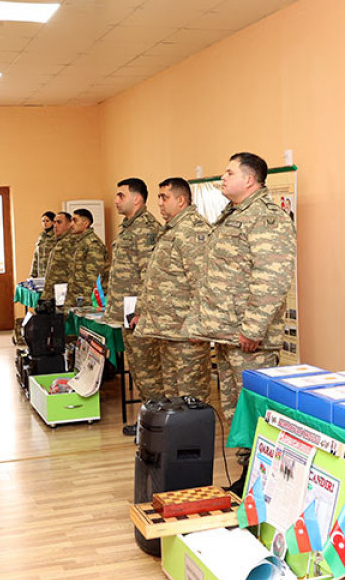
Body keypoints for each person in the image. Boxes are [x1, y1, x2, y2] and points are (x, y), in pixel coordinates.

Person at [186, 153, 295, 448]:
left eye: (229, 173)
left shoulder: (266, 217)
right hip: (227, 335)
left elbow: (271, 278)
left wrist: (253, 328)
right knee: (237, 414)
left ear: (249, 180)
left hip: (248, 339)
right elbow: (213, 275)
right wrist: (201, 324)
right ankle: (245, 474)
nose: (222, 178)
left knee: (257, 413)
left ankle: (258, 476)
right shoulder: (232, 214)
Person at [136, 177, 212, 407]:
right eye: (159, 197)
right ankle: (176, 442)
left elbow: (203, 281)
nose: (159, 203)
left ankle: (194, 442)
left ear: (181, 200)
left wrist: (198, 324)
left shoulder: (192, 230)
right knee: (173, 397)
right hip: (167, 330)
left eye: (164, 197)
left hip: (187, 333)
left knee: (192, 398)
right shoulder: (172, 230)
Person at [105, 178, 163, 435]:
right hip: (128, 313)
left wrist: (140, 311)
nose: (116, 200)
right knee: (139, 371)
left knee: (149, 372)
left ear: (137, 199)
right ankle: (148, 421)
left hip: (140, 315)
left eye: (121, 195)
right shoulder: (129, 226)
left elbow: (149, 275)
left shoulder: (146, 229)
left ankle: (155, 426)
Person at [65, 208, 109, 308]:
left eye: (75, 220)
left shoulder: (93, 243)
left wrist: (86, 304)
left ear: (86, 223)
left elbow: (94, 278)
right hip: (76, 297)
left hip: (86, 301)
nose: (71, 224)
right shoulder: (80, 242)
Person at [41, 211, 74, 302]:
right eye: (54, 222)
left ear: (69, 224)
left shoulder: (72, 243)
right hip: (54, 294)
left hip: (65, 295)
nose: (55, 225)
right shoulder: (57, 241)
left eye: (59, 222)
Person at [30, 211, 57, 278]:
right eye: (43, 221)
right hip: (41, 273)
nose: (45, 223)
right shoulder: (41, 236)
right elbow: (36, 256)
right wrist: (33, 273)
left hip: (53, 274)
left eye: (47, 221)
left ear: (53, 222)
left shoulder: (57, 236)